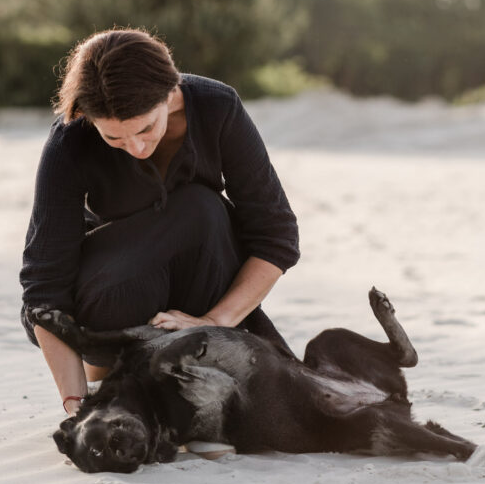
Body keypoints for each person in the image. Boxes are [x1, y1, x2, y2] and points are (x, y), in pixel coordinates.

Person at [20, 28, 300, 416]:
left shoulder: (218, 108)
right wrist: (77, 406)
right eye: (114, 139)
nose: (136, 148)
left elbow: (276, 236)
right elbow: (44, 287)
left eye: (146, 127)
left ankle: (198, 362)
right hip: (113, 294)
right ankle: (112, 364)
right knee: (196, 210)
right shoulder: (70, 138)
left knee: (204, 210)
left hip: (199, 297)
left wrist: (213, 322)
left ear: (170, 92)